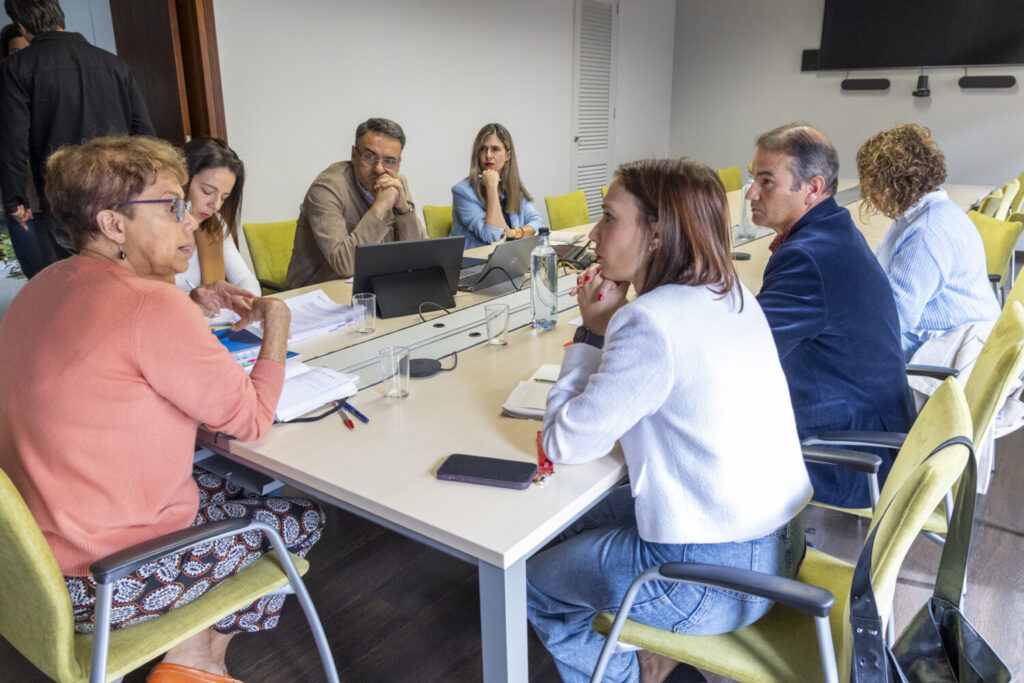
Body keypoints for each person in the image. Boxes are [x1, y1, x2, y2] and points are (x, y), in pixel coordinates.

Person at [0, 136, 323, 683]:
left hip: (30, 560)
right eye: (171, 207)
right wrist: (278, 326)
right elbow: (251, 418)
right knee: (299, 516)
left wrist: (191, 309)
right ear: (113, 224)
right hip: (103, 580)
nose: (189, 222)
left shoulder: (42, 284)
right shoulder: (150, 304)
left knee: (226, 485)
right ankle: (197, 661)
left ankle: (192, 650)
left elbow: (115, 365)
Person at [527, 158, 812, 683]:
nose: (594, 232)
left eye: (610, 218)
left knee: (532, 581)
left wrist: (590, 335)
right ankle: (638, 645)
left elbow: (562, 442)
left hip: (712, 580)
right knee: (563, 526)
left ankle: (627, 672)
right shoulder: (732, 293)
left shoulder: (649, 321)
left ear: (656, 234)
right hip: (781, 548)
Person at [747, 122, 914, 508]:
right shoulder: (832, 230)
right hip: (873, 427)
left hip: (854, 458)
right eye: (753, 179)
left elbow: (743, 349)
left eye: (767, 181)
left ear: (814, 188)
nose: (752, 193)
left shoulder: (807, 256)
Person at [0, 0, 154, 263]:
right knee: (121, 270)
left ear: (22, 27)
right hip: (119, 194)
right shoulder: (114, 64)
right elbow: (144, 134)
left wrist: (15, 198)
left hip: (64, 196)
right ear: (60, 18)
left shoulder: (18, 68)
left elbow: (13, 140)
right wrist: (149, 191)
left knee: (76, 277)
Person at [857, 123, 1000, 358]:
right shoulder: (926, 213)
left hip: (953, 349)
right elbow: (879, 270)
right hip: (952, 335)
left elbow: (892, 321)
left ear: (888, 185)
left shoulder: (926, 234)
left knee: (832, 350)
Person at [285, 117, 427, 287]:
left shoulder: (397, 183)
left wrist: (403, 210)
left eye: (389, 161)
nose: (379, 169)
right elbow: (344, 265)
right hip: (319, 293)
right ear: (354, 154)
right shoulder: (327, 188)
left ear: (398, 163)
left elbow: (418, 256)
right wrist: (380, 207)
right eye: (370, 157)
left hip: (374, 287)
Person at [0, 20, 57, 278]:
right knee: (40, 278)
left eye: (28, 51)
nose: (23, 59)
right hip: (21, 202)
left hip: (56, 197)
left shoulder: (51, 89)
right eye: (15, 53)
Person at [174, 137, 261, 298]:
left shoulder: (215, 224)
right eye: (207, 191)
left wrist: (245, 301)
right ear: (181, 180)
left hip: (213, 321)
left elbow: (245, 279)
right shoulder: (153, 228)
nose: (216, 205)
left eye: (224, 197)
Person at [451, 123, 545, 249]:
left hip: (508, 259)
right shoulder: (462, 192)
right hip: (474, 264)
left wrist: (516, 232)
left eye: (495, 149)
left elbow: (538, 222)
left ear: (508, 156)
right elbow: (493, 237)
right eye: (482, 149)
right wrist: (491, 188)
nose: (488, 155)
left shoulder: (511, 187)